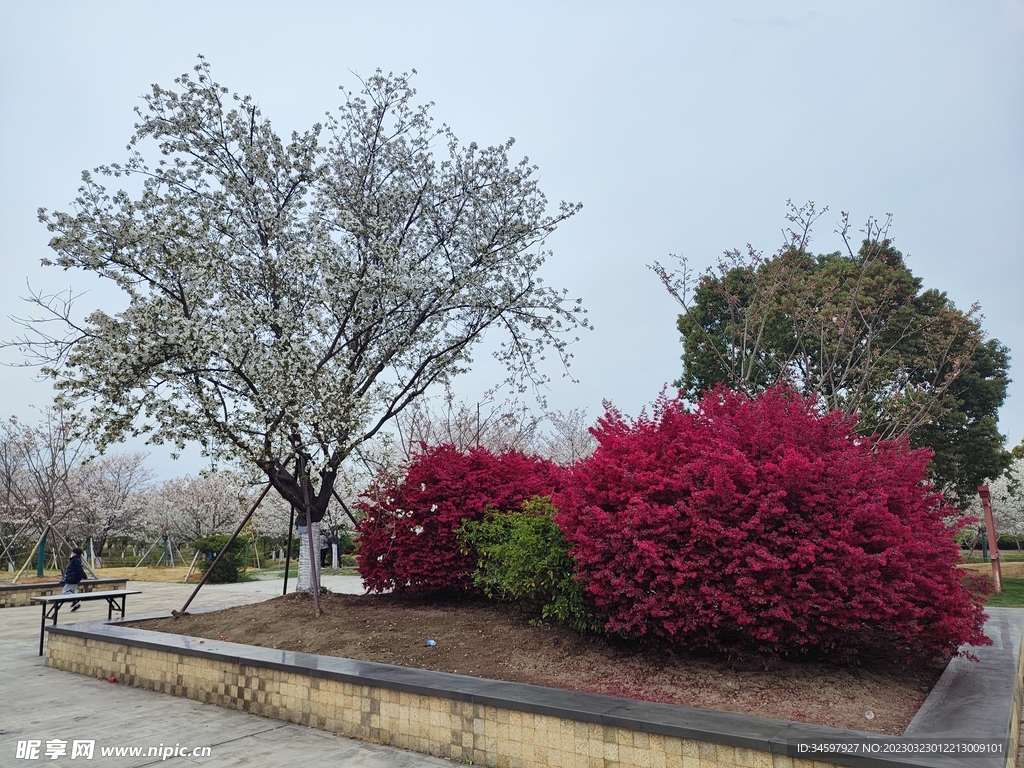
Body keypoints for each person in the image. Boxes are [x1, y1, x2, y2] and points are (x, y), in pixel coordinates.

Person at [60, 547, 86, 612]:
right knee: (73, 591)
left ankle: (75, 600)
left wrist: (83, 575)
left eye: (73, 552)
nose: (71, 553)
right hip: (73, 578)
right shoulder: (76, 560)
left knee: (65, 591)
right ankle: (76, 603)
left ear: (75, 554)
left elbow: (79, 569)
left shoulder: (75, 560)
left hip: (72, 578)